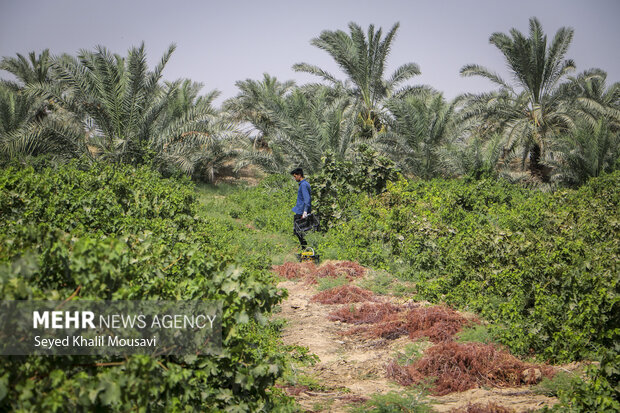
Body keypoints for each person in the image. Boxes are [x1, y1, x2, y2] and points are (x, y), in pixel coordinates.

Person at [290, 167, 311, 248]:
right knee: (299, 231)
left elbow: (307, 199)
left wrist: (305, 212)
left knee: (299, 231)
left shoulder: (304, 185)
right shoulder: (304, 184)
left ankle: (305, 248)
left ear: (299, 175)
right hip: (300, 211)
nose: (295, 178)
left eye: (295, 176)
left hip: (301, 212)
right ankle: (304, 248)